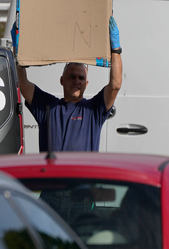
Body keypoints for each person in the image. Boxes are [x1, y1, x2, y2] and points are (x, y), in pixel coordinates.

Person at [17, 16, 122, 152]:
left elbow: (115, 85)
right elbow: (23, 85)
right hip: (52, 173)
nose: (76, 81)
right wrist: (18, 50)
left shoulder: (94, 110)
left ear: (86, 83)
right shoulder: (48, 107)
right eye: (71, 77)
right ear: (61, 80)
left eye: (81, 78)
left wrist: (116, 50)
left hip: (81, 174)